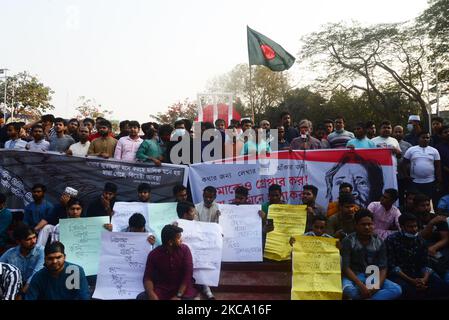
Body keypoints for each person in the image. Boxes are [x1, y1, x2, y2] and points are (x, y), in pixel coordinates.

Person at [341, 209, 402, 300]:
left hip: (372, 276)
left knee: (396, 289)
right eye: (363, 224)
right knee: (349, 290)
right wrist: (361, 286)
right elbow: (346, 267)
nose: (367, 227)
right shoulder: (348, 240)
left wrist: (376, 287)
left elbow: (383, 267)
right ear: (356, 225)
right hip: (353, 276)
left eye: (369, 224)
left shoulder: (379, 241)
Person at [386, 213, 449, 299]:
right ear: (402, 227)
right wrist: (411, 281)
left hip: (418, 275)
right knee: (407, 291)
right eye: (410, 227)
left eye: (415, 226)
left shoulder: (420, 240)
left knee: (443, 287)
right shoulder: (391, 240)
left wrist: (424, 279)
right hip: (400, 275)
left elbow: (426, 263)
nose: (414, 229)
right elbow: (392, 266)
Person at [140, 224, 199, 300]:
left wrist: (178, 295)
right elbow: (147, 277)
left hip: (183, 290)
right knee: (141, 297)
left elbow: (187, 275)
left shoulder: (185, 250)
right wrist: (152, 294)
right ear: (170, 242)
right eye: (178, 238)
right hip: (162, 289)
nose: (181, 240)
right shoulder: (154, 254)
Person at [25, 241, 90, 300]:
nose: (54, 261)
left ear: (64, 257)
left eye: (58, 257)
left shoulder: (75, 271)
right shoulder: (38, 276)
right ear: (45, 259)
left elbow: (84, 297)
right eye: (50, 258)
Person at [0, 224, 44, 294]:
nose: (33, 241)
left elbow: (36, 274)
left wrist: (21, 293)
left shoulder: (41, 251)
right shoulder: (10, 253)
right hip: (15, 287)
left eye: (34, 237)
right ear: (19, 241)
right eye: (28, 239)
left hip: (34, 286)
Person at [402, 131, 442, 206]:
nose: (425, 139)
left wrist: (439, 181)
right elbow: (403, 164)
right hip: (415, 182)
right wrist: (406, 175)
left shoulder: (434, 151)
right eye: (423, 137)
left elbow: (438, 166)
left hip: (430, 181)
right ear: (418, 138)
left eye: (427, 138)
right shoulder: (411, 150)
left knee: (428, 202)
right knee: (415, 203)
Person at [393, 125, 413, 206]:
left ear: (403, 133)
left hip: (404, 176)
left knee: (404, 196)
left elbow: (412, 160)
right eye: (396, 132)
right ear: (393, 133)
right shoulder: (389, 143)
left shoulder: (408, 145)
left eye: (400, 132)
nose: (398, 133)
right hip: (392, 176)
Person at [435, 125, 449, 192]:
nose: (448, 133)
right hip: (444, 177)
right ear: (441, 135)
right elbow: (438, 163)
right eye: (445, 132)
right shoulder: (438, 147)